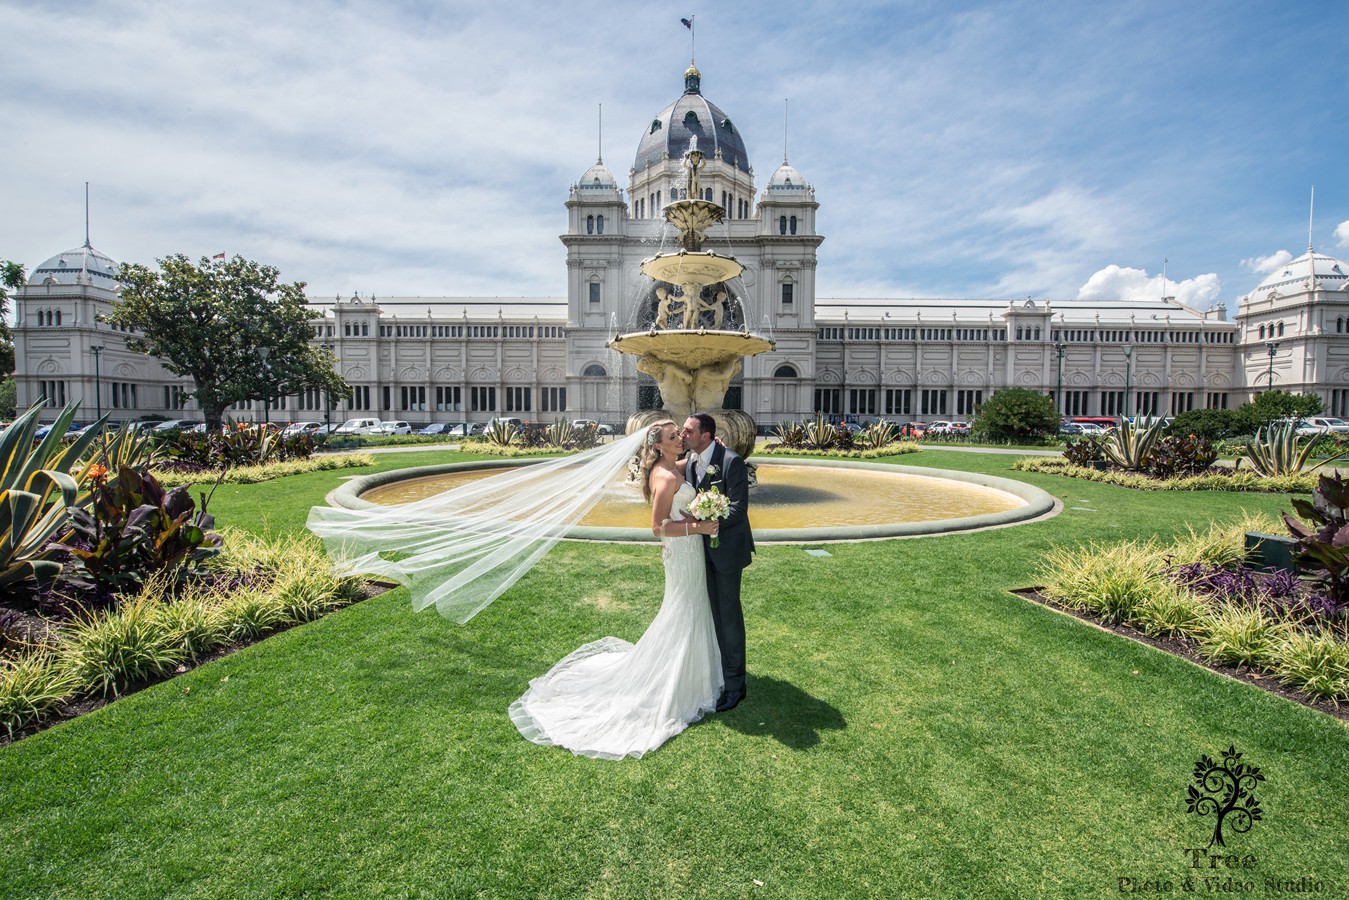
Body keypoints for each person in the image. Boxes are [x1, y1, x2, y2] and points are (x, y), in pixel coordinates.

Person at [508, 420, 723, 758]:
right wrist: (699, 526)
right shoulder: (665, 477)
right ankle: (675, 679)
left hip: (688, 551)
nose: (680, 439)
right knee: (685, 608)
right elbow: (657, 528)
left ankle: (690, 671)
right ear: (657, 446)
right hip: (682, 550)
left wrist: (711, 452)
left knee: (689, 606)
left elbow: (691, 464)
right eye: (672, 437)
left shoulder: (671, 466)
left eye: (679, 434)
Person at [681, 412, 754, 712]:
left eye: (688, 430)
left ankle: (736, 685)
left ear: (706, 436)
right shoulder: (689, 461)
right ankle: (716, 674)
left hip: (726, 552)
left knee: (728, 618)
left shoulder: (731, 461)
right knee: (706, 614)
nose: (683, 434)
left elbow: (738, 508)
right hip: (698, 551)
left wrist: (705, 516)